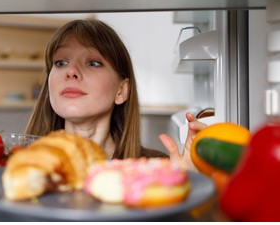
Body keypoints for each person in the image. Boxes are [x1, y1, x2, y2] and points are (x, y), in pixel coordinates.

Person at [24, 19, 205, 169]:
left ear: (121, 91)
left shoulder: (156, 169)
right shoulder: (23, 163)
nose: (71, 71)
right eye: (61, 62)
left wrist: (191, 181)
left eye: (93, 63)